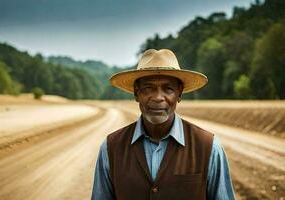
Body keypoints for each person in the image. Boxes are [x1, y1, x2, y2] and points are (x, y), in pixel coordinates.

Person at [91, 49, 235, 200]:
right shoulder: (111, 148)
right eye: (148, 88)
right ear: (136, 93)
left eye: (168, 89)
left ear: (179, 94)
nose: (158, 97)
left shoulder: (209, 147)